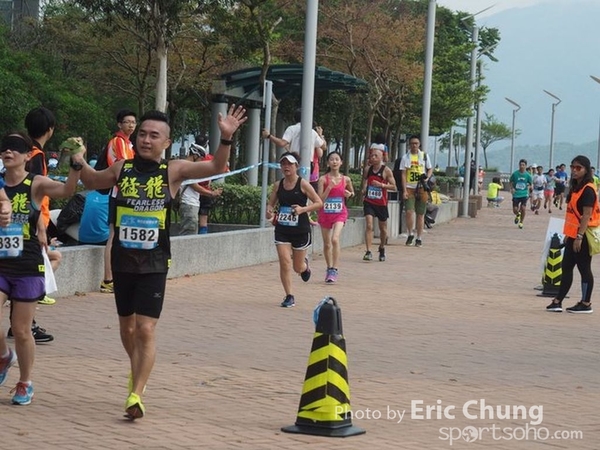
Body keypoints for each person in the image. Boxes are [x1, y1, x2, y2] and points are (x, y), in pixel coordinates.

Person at [71, 105, 247, 419]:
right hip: (123, 261)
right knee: (127, 329)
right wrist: (78, 160)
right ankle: (137, 369)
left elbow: (215, 166)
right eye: (142, 134)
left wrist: (226, 138)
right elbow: (94, 181)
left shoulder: (173, 170)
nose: (146, 140)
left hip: (154, 262)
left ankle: (137, 394)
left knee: (146, 329)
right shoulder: (121, 169)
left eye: (154, 136)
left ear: (166, 142)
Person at [0, 132, 82, 405]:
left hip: (27, 266)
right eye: (5, 147)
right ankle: (4, 357)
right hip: (1, 263)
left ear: (28, 156)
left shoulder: (35, 184)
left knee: (21, 329)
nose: (8, 151)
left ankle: (25, 382)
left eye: (16, 148)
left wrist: (76, 163)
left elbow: (67, 190)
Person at [266, 151, 322, 307]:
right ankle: (289, 296)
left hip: (300, 230)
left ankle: (304, 267)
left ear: (296, 166)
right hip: (282, 229)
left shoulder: (303, 184)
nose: (286, 167)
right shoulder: (278, 185)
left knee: (297, 267)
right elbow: (271, 204)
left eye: (289, 164)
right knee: (285, 262)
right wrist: (269, 211)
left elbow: (319, 203)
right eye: (283, 164)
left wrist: (302, 209)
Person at [546, 155, 599, 314]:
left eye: (578, 168)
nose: (574, 170)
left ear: (586, 170)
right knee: (566, 267)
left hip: (583, 236)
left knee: (584, 268)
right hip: (573, 234)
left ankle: (586, 303)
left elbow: (586, 215)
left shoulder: (588, 189)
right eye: (572, 167)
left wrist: (579, 237)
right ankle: (558, 301)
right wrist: (569, 235)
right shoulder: (576, 187)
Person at [101, 110, 137, 294]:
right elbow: (126, 165)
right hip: (118, 195)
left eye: (133, 122)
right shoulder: (119, 141)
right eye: (127, 122)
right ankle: (108, 279)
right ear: (119, 124)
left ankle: (118, 278)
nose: (131, 125)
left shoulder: (129, 143)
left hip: (126, 195)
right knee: (114, 236)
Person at [261, 108, 324, 187]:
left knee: (292, 185)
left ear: (295, 118)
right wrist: (320, 135)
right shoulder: (312, 132)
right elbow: (322, 145)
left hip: (294, 161)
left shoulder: (292, 129)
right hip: (308, 164)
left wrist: (269, 136)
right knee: (304, 186)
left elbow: (282, 143)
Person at [317, 151, 354, 283]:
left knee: (335, 239)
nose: (334, 162)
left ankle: (335, 269)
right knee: (327, 244)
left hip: (340, 213)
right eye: (332, 159)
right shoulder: (323, 179)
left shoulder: (346, 179)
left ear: (341, 162)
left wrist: (349, 194)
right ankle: (329, 268)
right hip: (325, 214)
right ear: (328, 163)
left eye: (337, 159)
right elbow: (319, 200)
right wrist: (329, 187)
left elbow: (352, 193)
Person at [362, 144, 396, 260]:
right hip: (369, 201)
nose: (373, 158)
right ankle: (368, 251)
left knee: (383, 229)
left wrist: (381, 185)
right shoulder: (368, 169)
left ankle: (382, 247)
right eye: (372, 156)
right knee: (369, 225)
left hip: (381, 203)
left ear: (382, 157)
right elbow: (365, 180)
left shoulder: (386, 171)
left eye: (376, 156)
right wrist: (364, 188)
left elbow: (394, 186)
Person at [400, 135, 432, 247]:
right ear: (409, 145)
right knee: (409, 211)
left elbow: (430, 168)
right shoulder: (405, 157)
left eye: (416, 143)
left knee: (420, 214)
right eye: (412, 143)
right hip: (409, 187)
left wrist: (427, 177)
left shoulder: (424, 156)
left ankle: (419, 237)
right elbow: (403, 174)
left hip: (421, 187)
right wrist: (404, 190)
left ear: (419, 145)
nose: (414, 145)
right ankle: (410, 233)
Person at [177, 144, 206, 236]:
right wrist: (211, 193)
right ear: (195, 155)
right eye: (201, 158)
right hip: (189, 203)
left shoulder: (187, 166)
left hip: (191, 203)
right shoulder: (186, 167)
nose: (201, 161)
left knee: (190, 233)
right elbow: (193, 185)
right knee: (188, 234)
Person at [510, 159, 533, 229]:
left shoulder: (528, 175)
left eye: (523, 165)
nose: (522, 166)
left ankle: (521, 222)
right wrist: (512, 188)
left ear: (525, 166)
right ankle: (518, 214)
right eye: (520, 165)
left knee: (523, 208)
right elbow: (510, 182)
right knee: (515, 210)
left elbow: (531, 184)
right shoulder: (515, 174)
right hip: (516, 194)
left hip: (524, 194)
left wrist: (530, 189)